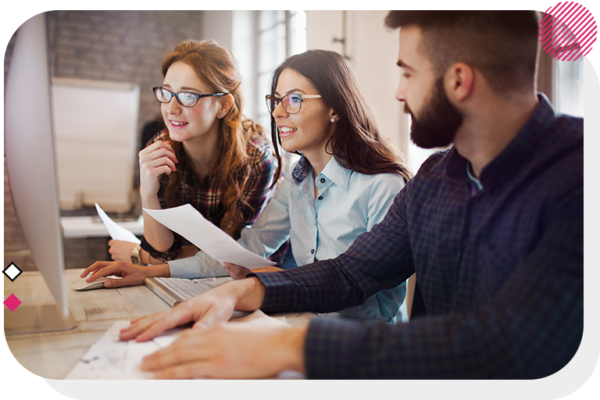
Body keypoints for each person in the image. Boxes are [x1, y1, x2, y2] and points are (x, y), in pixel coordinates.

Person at [116, 10, 584, 379]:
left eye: (407, 72)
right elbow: (350, 272)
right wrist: (243, 291)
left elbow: (516, 341)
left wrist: (288, 344)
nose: (399, 93)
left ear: (459, 80)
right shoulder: (437, 178)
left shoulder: (580, 175)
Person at [82, 49, 413, 323]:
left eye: (294, 100)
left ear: (335, 109)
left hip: (366, 347)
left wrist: (262, 289)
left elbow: (366, 291)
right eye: (277, 100)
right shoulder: (296, 183)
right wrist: (153, 271)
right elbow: (242, 251)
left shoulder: (383, 186)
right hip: (300, 324)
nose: (279, 113)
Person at [85, 39, 286, 270]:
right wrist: (148, 192)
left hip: (265, 277)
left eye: (188, 96)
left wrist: (143, 257)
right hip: (196, 275)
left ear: (223, 106)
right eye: (167, 93)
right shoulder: (161, 147)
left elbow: (232, 258)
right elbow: (164, 247)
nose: (171, 108)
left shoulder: (255, 159)